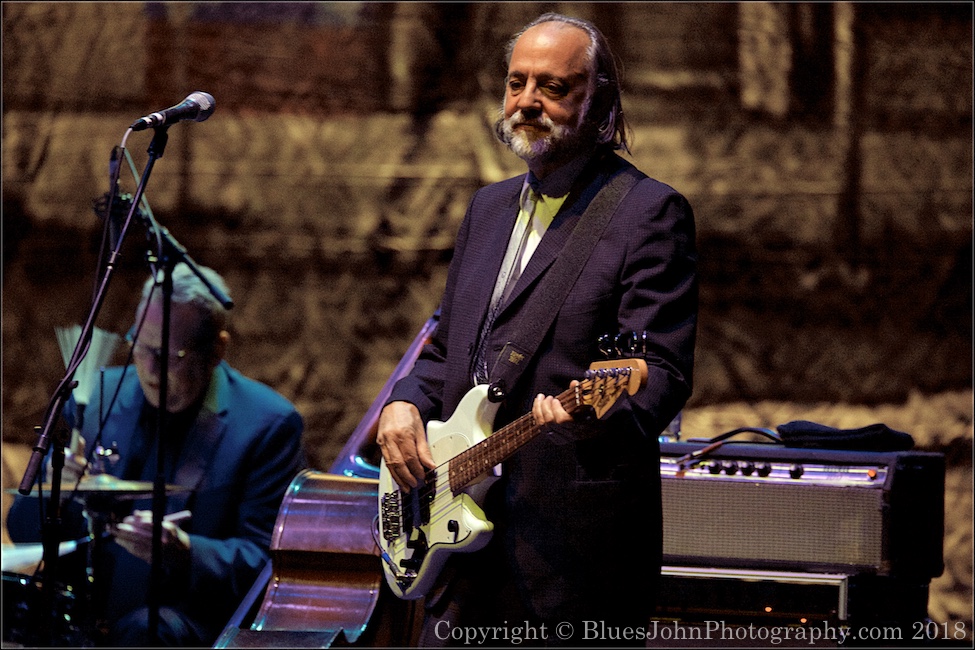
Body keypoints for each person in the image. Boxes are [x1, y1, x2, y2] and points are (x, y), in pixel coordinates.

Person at [377, 12, 698, 648]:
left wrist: (591, 411)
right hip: (461, 555)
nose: (528, 101)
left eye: (553, 87)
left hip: (574, 566)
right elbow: (449, 345)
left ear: (599, 100)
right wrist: (405, 400)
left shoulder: (647, 213)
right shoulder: (487, 208)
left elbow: (656, 371)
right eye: (517, 82)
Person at [7, 262, 307, 647]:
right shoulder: (98, 398)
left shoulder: (268, 425)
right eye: (141, 347)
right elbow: (22, 529)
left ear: (217, 349)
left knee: (147, 630)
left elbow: (269, 565)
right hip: (84, 614)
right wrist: (54, 491)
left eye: (170, 355)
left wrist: (184, 552)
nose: (149, 370)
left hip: (186, 621)